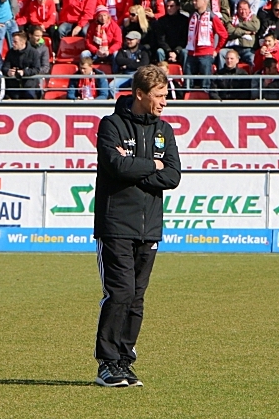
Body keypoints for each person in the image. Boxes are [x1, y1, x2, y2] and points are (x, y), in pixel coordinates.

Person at [93, 64, 180, 388]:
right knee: (120, 293)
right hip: (115, 223)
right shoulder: (111, 126)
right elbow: (115, 165)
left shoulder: (165, 130)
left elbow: (172, 176)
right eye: (159, 96)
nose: (164, 102)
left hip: (150, 227)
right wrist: (151, 166)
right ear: (140, 95)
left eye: (165, 95)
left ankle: (125, 362)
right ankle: (107, 363)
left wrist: (138, 168)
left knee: (137, 297)